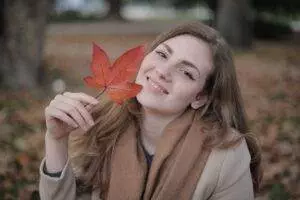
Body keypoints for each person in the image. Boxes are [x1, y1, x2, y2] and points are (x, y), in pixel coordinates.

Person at [39, 21, 262, 200]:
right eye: (162, 54)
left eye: (186, 72)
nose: (163, 71)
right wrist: (56, 140)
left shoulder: (227, 154)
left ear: (200, 97)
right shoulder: (99, 123)